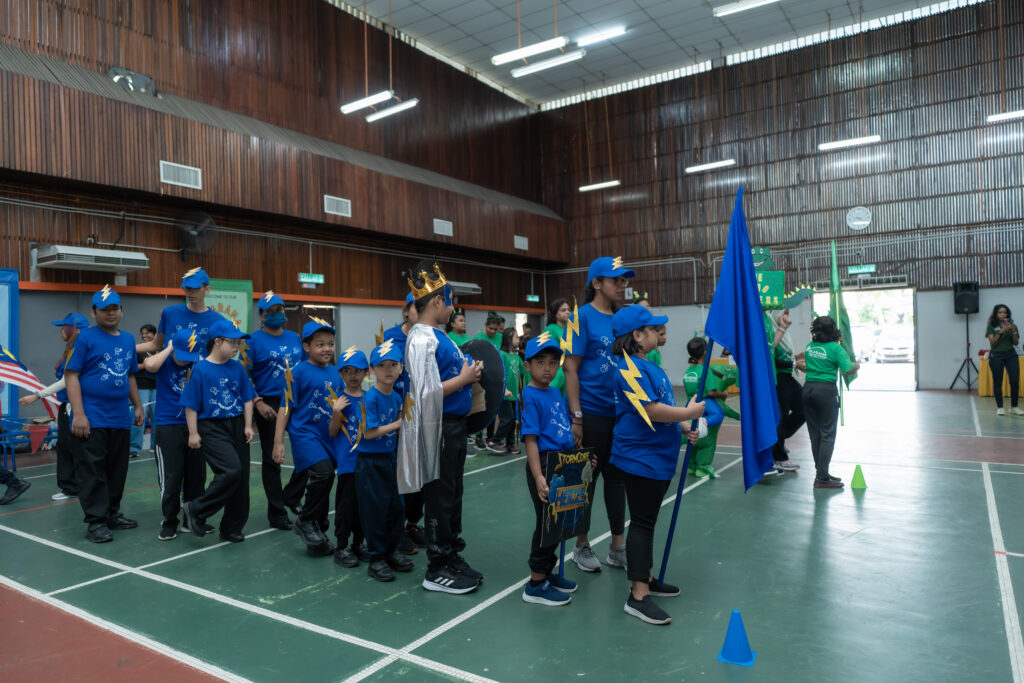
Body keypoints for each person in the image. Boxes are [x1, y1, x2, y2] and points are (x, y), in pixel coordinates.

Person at [608, 306, 703, 625]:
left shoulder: (650, 367)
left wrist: (683, 427)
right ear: (637, 335)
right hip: (639, 458)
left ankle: (646, 578)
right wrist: (687, 415)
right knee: (643, 523)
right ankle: (638, 595)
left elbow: (664, 407)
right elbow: (651, 410)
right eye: (652, 328)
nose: (658, 333)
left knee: (647, 521)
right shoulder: (628, 368)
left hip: (657, 457)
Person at [399, 261, 484, 594]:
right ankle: (437, 568)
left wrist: (469, 373)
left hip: (454, 426)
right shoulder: (421, 339)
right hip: (439, 427)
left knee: (453, 494)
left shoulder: (439, 336)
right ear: (437, 302)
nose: (452, 309)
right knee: (440, 497)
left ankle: (451, 555)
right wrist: (463, 378)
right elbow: (422, 393)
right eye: (450, 302)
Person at [563, 256, 634, 573]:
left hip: (620, 414)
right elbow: (570, 368)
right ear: (596, 283)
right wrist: (576, 416)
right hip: (590, 413)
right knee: (586, 481)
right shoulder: (580, 318)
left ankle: (618, 547)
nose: (621, 285)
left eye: (623, 280)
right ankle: (581, 545)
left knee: (617, 481)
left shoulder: (624, 319)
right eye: (616, 280)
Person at [64, 286, 144, 543]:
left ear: (121, 311)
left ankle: (111, 513)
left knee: (116, 470)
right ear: (94, 311)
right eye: (105, 309)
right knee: (92, 471)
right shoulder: (84, 338)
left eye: (115, 308)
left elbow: (130, 374)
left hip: (120, 417)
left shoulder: (128, 339)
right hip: (92, 417)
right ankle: (95, 522)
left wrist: (138, 405)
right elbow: (71, 375)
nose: (111, 313)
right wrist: (79, 414)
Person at [180, 318, 256, 542]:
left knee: (241, 479)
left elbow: (248, 398)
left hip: (237, 424)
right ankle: (196, 508)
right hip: (211, 426)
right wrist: (193, 433)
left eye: (239, 343)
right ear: (217, 341)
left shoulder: (238, 368)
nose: (236, 347)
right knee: (231, 470)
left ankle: (232, 527)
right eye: (233, 343)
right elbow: (191, 404)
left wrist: (248, 425)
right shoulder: (201, 369)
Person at [520, 333, 579, 606]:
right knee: (546, 524)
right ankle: (535, 583)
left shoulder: (554, 391)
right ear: (527, 365)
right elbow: (531, 439)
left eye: (553, 362)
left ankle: (546, 573)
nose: (548, 368)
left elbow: (562, 428)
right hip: (544, 463)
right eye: (540, 361)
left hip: (562, 460)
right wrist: (538, 476)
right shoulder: (530, 395)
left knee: (558, 523)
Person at [272, 318, 339, 556]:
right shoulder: (296, 372)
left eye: (330, 344)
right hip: (304, 434)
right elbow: (285, 408)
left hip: (328, 436)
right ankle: (306, 520)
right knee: (323, 472)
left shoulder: (336, 373)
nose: (327, 349)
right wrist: (278, 441)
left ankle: (318, 534)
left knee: (327, 480)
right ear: (306, 347)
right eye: (320, 344)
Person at [354, 341, 415, 581]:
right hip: (370, 462)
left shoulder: (398, 397)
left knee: (395, 508)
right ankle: (376, 557)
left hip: (390, 458)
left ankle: (391, 551)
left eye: (393, 365)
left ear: (401, 368)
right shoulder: (370, 398)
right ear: (372, 370)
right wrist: (399, 424)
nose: (388, 370)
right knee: (375, 511)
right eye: (382, 366)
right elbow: (369, 433)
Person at [247, 291, 306, 530]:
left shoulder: (294, 338)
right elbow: (243, 374)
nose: (276, 314)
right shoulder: (252, 340)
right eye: (270, 311)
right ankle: (277, 512)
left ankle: (291, 496)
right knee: (273, 458)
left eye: (279, 310)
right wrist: (257, 402)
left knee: (307, 451)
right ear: (261, 315)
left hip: (295, 400)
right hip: (269, 402)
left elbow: (304, 368)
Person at [19, 313, 89, 501]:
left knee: (75, 448)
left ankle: (77, 486)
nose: (61, 331)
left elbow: (67, 380)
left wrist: (37, 395)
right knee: (66, 447)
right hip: (67, 405)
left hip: (78, 407)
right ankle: (71, 486)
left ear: (75, 329)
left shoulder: (82, 348)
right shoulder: (70, 349)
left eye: (64, 327)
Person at [144, 329, 205, 541]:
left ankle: (193, 519)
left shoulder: (198, 364)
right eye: (181, 355)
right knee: (171, 477)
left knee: (196, 476)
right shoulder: (164, 362)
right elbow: (150, 366)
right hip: (168, 425)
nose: (185, 361)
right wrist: (169, 348)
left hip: (194, 426)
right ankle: (169, 521)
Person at [382, 294, 426, 553]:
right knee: (397, 476)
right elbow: (381, 370)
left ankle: (412, 524)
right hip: (396, 417)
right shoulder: (390, 337)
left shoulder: (431, 338)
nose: (420, 312)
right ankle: (395, 530)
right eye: (415, 307)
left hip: (422, 416)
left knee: (418, 477)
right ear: (406, 310)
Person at [802, 316, 860, 489]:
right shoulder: (836, 348)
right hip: (825, 392)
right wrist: (857, 366)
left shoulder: (809, 346)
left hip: (808, 390)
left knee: (815, 435)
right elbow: (848, 369)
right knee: (827, 434)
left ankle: (822, 473)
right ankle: (821, 478)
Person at [330, 347, 370, 568]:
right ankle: (342, 546)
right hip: (348, 464)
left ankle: (358, 543)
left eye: (357, 371)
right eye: (347, 371)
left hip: (367, 463)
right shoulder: (340, 401)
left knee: (363, 506)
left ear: (365, 373)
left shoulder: (369, 398)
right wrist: (336, 412)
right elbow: (332, 432)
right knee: (346, 506)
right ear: (341, 374)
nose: (353, 376)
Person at [682, 338, 739, 479]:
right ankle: (704, 422)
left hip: (690, 401)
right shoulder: (705, 370)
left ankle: (692, 465)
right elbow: (712, 392)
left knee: (691, 435)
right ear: (706, 352)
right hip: (705, 401)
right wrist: (724, 394)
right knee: (718, 414)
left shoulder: (689, 370)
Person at [139, 267, 225, 355]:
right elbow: (156, 344)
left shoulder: (218, 321)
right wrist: (127, 346)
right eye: (187, 288)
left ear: (207, 289)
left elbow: (221, 355)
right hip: (170, 368)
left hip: (200, 368)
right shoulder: (169, 313)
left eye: (196, 288)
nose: (190, 292)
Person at [770, 309, 804, 470]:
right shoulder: (772, 334)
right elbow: (771, 359)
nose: (787, 317)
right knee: (780, 419)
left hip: (787, 378)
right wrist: (794, 363)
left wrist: (796, 358)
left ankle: (780, 438)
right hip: (778, 379)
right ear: (775, 316)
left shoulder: (785, 337)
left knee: (804, 407)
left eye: (788, 314)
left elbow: (786, 358)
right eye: (784, 313)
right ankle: (779, 457)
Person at [489, 328, 524, 455]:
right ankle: (494, 441)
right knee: (507, 419)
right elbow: (499, 374)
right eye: (516, 337)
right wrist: (505, 389)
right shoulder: (502, 355)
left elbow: (524, 369)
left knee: (513, 420)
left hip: (514, 396)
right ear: (509, 339)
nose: (518, 340)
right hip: (504, 395)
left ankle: (510, 444)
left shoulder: (516, 356)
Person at [986, 304, 1022, 416]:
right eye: (1000, 312)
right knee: (998, 381)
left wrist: (1013, 331)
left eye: (1005, 312)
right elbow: (992, 344)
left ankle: (1014, 407)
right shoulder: (991, 326)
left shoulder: (1013, 325)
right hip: (996, 355)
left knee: (1015, 380)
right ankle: (1000, 407)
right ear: (996, 314)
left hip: (1011, 355)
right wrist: (1001, 331)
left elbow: (1015, 342)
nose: (1003, 314)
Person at [130, 324, 158, 457]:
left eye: (147, 333)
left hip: (157, 387)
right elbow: (133, 367)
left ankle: (156, 446)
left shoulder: (160, 349)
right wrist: (147, 364)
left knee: (157, 417)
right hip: (141, 386)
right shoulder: (138, 350)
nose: (144, 335)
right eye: (142, 333)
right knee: (139, 417)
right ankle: (134, 448)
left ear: (154, 334)